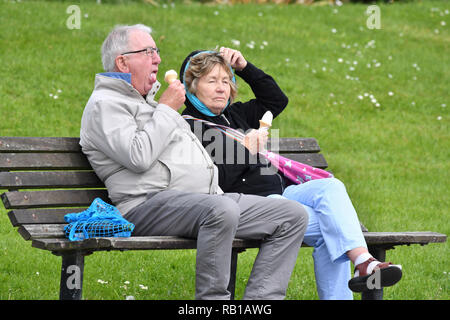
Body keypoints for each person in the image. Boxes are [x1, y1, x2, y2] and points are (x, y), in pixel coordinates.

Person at [79, 24, 309, 300]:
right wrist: (165, 109)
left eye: (157, 51)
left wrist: (161, 109)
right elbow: (137, 157)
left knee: (292, 216)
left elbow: (275, 100)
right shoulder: (106, 104)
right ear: (122, 61)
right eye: (148, 51)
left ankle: (262, 302)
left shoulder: (147, 103)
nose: (158, 59)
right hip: (146, 204)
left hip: (202, 200)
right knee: (221, 209)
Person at [180, 48, 403, 299]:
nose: (221, 88)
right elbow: (218, 181)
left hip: (283, 193)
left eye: (226, 80)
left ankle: (364, 262)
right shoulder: (189, 126)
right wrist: (245, 150)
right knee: (333, 230)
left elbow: (276, 100)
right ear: (191, 86)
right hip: (252, 206)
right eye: (212, 81)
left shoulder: (235, 115)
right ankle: (364, 264)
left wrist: (244, 68)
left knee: (331, 187)